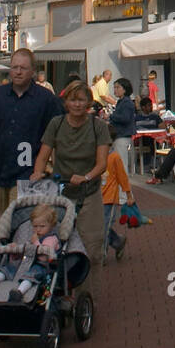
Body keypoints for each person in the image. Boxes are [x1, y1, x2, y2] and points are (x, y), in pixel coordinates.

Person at [30, 81, 111, 299]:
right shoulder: (56, 124)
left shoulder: (98, 126)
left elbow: (102, 163)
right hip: (61, 192)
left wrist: (85, 177)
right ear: (66, 102)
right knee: (57, 245)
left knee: (92, 249)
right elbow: (43, 155)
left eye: (81, 100)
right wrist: (38, 173)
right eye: (73, 99)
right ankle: (59, 293)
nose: (77, 104)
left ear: (88, 103)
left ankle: (87, 300)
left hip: (89, 191)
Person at [0, 50, 63, 213]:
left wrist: (55, 170)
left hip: (28, 172)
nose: (18, 72)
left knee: (19, 220)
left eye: (23, 68)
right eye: (15, 67)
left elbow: (55, 138)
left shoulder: (46, 99)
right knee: (4, 220)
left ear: (33, 70)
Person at [0, 204, 62, 300]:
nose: (38, 229)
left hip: (41, 266)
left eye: (42, 226)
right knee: (8, 268)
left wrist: (35, 242)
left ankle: (19, 291)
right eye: (35, 226)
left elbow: (43, 256)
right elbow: (25, 254)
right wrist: (15, 251)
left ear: (52, 225)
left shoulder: (51, 239)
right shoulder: (32, 237)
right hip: (23, 264)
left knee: (32, 274)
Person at [101, 148, 129, 261]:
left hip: (110, 198)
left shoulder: (114, 157)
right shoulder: (94, 154)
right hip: (97, 197)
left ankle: (102, 254)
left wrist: (128, 194)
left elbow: (122, 176)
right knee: (99, 226)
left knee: (104, 226)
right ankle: (117, 242)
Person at [108, 78, 136, 172]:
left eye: (118, 87)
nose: (115, 90)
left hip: (123, 136)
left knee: (121, 164)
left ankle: (124, 185)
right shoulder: (120, 102)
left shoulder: (127, 103)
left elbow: (125, 118)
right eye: (114, 87)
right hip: (117, 136)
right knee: (116, 164)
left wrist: (111, 116)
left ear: (124, 89)